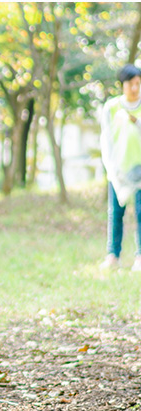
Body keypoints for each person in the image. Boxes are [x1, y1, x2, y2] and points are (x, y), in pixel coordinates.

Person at [98, 64, 141, 272]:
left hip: (140, 167)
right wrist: (111, 167)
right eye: (131, 84)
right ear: (122, 85)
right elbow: (106, 138)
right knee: (115, 213)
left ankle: (140, 256)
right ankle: (112, 255)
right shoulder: (112, 107)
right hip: (118, 169)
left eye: (138, 84)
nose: (135, 88)